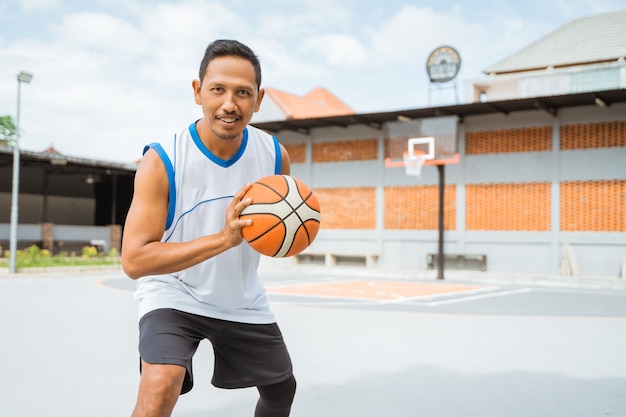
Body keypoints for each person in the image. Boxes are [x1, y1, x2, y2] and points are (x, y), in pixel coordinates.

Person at [121, 39, 296, 417]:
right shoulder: (162, 160)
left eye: (243, 93)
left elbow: (275, 226)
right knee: (160, 384)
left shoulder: (274, 155)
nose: (230, 104)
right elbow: (134, 260)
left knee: (281, 390)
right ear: (198, 92)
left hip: (241, 298)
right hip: (174, 293)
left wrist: (290, 233)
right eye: (218, 89)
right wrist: (224, 239)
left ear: (259, 99)